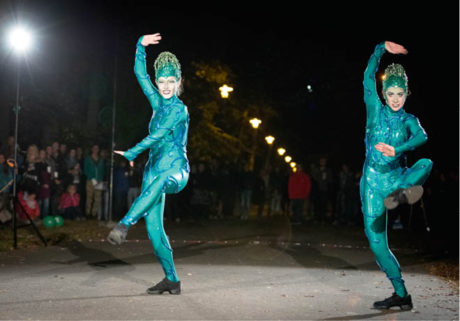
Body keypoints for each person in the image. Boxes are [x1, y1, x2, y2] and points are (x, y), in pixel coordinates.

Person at [107, 33, 190, 295]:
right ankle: (172, 280)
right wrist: (140, 46)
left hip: (175, 171)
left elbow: (157, 135)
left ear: (178, 83)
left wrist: (132, 152)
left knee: (161, 183)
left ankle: (124, 224)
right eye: (162, 81)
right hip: (153, 170)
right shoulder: (156, 102)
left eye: (171, 81)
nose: (165, 86)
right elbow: (140, 75)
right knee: (155, 233)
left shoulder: (180, 109)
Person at [360, 41, 433, 310]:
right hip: (372, 182)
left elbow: (423, 136)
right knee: (377, 244)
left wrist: (398, 148)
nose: (395, 98)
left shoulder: (408, 120)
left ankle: (403, 193)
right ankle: (401, 293)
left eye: (400, 93)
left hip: (397, 178)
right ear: (383, 92)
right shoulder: (375, 110)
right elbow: (367, 75)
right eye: (390, 93)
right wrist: (379, 48)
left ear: (406, 93)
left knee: (426, 163)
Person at [83, 144, 105, 218]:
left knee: (97, 198)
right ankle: (88, 213)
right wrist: (91, 178)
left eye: (97, 148)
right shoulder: (88, 158)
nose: (96, 150)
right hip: (90, 181)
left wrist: (101, 179)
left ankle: (94, 214)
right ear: (92, 149)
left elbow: (103, 170)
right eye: (94, 148)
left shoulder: (101, 159)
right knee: (89, 197)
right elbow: (85, 170)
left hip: (99, 181)